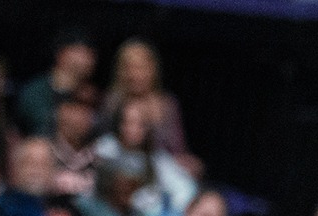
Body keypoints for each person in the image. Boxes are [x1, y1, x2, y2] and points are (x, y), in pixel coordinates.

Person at [101, 38, 190, 166]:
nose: (135, 74)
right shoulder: (111, 102)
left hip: (161, 169)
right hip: (119, 168)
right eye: (129, 68)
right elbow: (103, 144)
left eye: (141, 67)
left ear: (153, 69)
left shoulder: (167, 104)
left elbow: (178, 149)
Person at [13, 28, 95, 139]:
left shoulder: (90, 94)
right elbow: (38, 126)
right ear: (62, 54)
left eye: (90, 53)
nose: (88, 58)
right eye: (81, 51)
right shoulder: (36, 91)